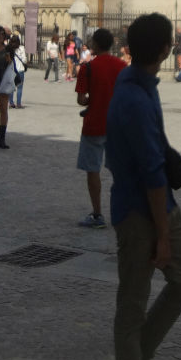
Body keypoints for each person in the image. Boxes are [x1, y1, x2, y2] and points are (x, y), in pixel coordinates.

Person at [108, 13, 181, 360]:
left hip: (159, 204)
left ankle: (138, 356)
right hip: (138, 210)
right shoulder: (132, 96)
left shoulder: (140, 84)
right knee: (131, 304)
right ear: (164, 49)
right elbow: (151, 175)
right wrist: (163, 235)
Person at [75, 27, 123, 229]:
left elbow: (81, 99)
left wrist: (93, 99)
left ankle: (97, 214)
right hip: (116, 125)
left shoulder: (87, 68)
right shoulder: (122, 66)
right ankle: (124, 213)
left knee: (93, 170)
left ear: (95, 44)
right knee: (120, 172)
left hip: (94, 124)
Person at [9, 34, 28, 108]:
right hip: (20, 70)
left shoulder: (9, 48)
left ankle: (11, 102)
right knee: (19, 87)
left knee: (11, 87)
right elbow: (24, 60)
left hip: (11, 70)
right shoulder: (21, 48)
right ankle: (19, 103)